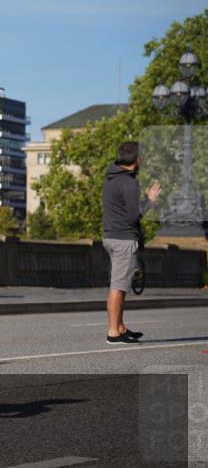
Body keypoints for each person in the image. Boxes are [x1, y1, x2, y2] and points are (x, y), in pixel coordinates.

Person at [101, 141, 160, 344]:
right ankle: (113, 332)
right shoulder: (129, 183)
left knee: (121, 284)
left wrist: (142, 199)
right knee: (118, 286)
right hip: (123, 239)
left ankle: (120, 327)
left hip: (111, 235)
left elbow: (123, 207)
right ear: (137, 159)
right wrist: (149, 201)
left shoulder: (111, 178)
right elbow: (134, 216)